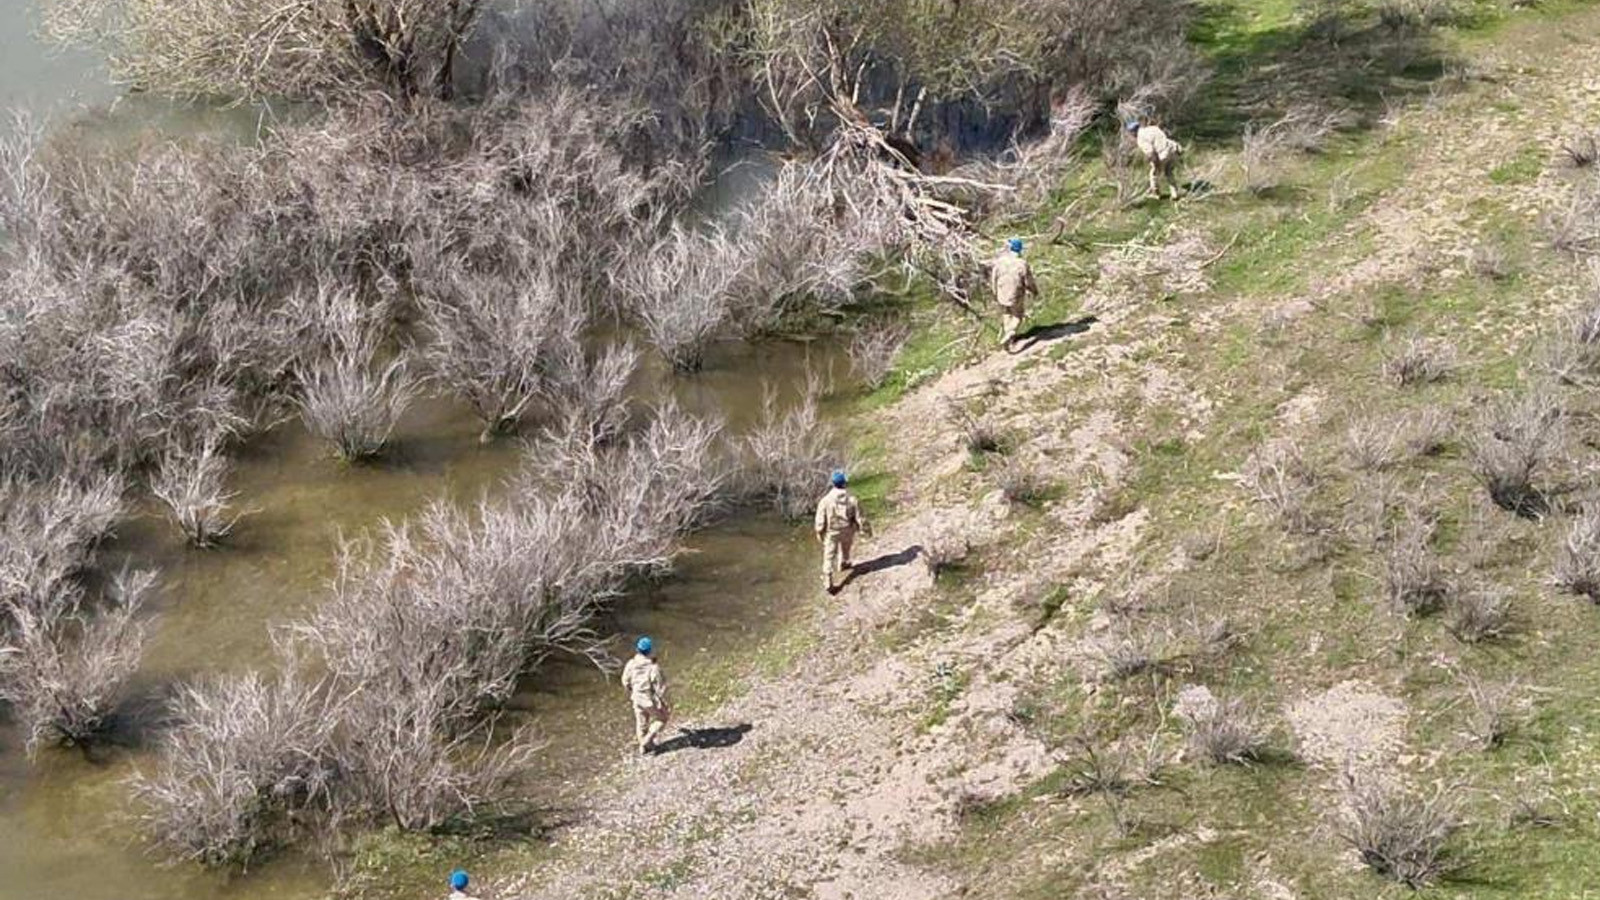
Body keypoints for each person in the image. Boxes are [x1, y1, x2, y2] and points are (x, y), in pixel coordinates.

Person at [814, 470, 870, 593]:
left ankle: (828, 580)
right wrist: (866, 530)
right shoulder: (852, 498)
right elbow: (860, 517)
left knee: (829, 556)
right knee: (846, 547)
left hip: (832, 532)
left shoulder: (825, 500)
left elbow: (820, 520)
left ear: (833, 483)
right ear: (845, 483)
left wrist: (819, 532)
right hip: (848, 529)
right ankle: (844, 563)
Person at [621, 636, 671, 755]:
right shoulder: (653, 668)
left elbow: (625, 681)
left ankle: (644, 748)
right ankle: (646, 741)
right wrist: (666, 703)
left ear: (638, 650)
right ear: (650, 651)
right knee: (662, 718)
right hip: (649, 700)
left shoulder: (631, 664)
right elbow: (661, 689)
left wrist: (631, 691)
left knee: (641, 723)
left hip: (636, 698)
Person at [990, 238, 1039, 353]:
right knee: (1017, 315)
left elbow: (993, 277)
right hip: (1015, 293)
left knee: (1007, 313)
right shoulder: (1022, 264)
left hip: (1001, 292)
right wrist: (1034, 291)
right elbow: (1028, 281)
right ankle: (1011, 333)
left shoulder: (1000, 261)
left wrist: (994, 291)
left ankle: (1009, 339)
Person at [1127, 119, 1184, 201]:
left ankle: (1156, 194)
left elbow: (1151, 153)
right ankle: (1175, 194)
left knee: (1153, 175)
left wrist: (1156, 165)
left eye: (1130, 132)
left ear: (1133, 131)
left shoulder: (1140, 139)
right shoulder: (1153, 128)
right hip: (1173, 149)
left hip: (1163, 154)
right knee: (1168, 172)